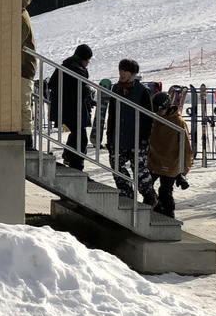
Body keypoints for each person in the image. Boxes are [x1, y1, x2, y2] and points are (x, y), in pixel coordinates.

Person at [104, 58, 157, 203]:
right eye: (120, 70)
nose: (122, 73)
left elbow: (148, 118)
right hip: (119, 137)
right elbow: (112, 114)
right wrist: (110, 137)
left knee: (138, 170)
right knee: (116, 165)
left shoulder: (142, 91)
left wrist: (145, 139)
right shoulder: (116, 89)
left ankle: (149, 195)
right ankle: (126, 194)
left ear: (133, 73)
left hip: (137, 138)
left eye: (125, 70)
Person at [146, 92, 194, 217]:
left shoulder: (178, 122)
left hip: (171, 163)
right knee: (146, 186)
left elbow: (186, 147)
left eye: (160, 110)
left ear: (167, 107)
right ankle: (154, 209)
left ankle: (168, 213)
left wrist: (183, 170)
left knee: (165, 191)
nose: (158, 113)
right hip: (154, 161)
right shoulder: (155, 119)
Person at [48, 43, 93, 168]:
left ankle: (68, 157)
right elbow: (83, 89)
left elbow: (51, 84)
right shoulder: (77, 69)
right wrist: (89, 94)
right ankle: (76, 166)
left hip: (64, 108)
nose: (88, 63)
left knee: (77, 134)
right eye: (88, 60)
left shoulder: (65, 66)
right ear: (84, 59)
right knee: (81, 138)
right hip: (73, 109)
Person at [20, 0, 38, 150]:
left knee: (23, 103)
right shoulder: (22, 15)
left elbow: (15, 41)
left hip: (24, 66)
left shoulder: (21, 18)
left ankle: (27, 138)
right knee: (21, 102)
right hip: (24, 66)